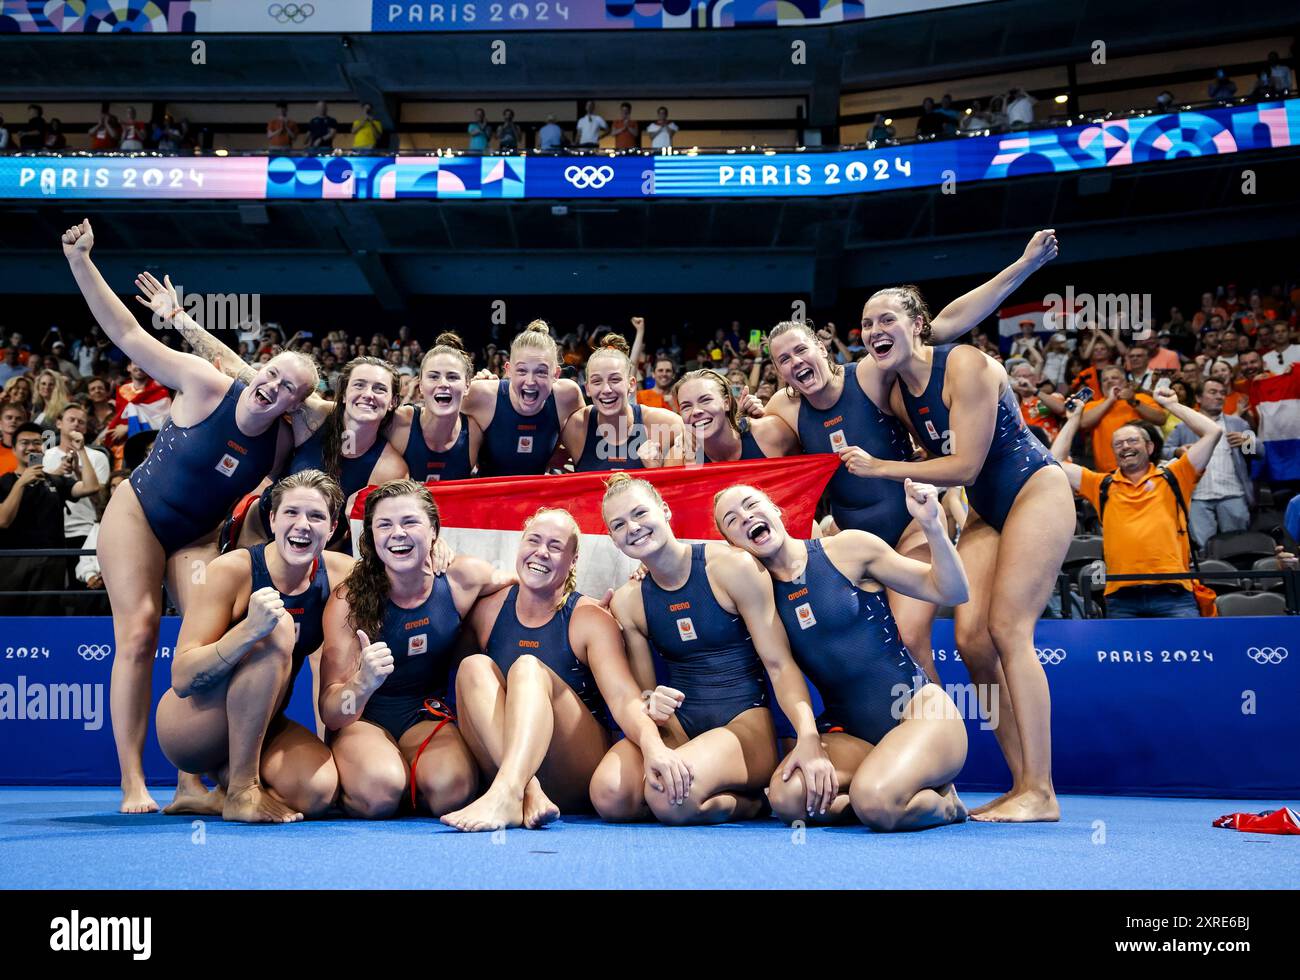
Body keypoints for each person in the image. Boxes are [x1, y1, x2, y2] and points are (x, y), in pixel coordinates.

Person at [62, 218, 318, 813]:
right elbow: (126, 331)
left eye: (288, 390)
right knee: (140, 631)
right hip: (139, 516)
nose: (273, 388)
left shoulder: (280, 444)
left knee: (207, 643)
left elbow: (323, 422)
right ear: (257, 369)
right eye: (271, 373)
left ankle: (189, 783)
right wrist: (80, 262)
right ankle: (132, 781)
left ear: (293, 407)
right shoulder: (205, 382)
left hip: (199, 536)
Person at [842, 274, 1071, 824]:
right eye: (867, 323)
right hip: (986, 510)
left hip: (1035, 487)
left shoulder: (965, 364)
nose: (875, 330)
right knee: (971, 640)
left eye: (887, 319)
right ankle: (1022, 785)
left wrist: (880, 468)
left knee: (1009, 630)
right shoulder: (899, 394)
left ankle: (1042, 789)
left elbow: (965, 464)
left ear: (919, 325)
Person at [714, 480, 969, 830]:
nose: (745, 517)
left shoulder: (848, 548)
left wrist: (932, 526)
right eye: (731, 519)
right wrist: (642, 575)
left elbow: (953, 590)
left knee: (876, 801)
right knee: (787, 798)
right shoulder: (758, 596)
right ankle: (883, 791)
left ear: (775, 509)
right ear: (733, 545)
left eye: (751, 505)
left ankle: (945, 804)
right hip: (851, 735)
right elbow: (780, 668)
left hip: (918, 712)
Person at [589, 474, 835, 825]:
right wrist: (650, 701)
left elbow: (779, 665)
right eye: (619, 524)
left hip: (744, 724)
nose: (633, 527)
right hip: (679, 726)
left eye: (640, 514)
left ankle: (750, 804)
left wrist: (807, 737)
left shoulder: (731, 567)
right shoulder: (629, 602)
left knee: (667, 798)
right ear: (613, 540)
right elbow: (645, 697)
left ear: (665, 510)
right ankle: (700, 790)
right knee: (610, 796)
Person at [156, 471, 350, 822]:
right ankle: (241, 791)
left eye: (316, 516)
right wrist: (247, 632)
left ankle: (219, 790)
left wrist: (437, 549)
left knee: (318, 792)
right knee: (276, 628)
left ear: (333, 527)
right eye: (291, 513)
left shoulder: (341, 574)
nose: (302, 525)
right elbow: (182, 677)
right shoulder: (232, 570)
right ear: (272, 518)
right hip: (192, 724)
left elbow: (399, 571)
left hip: (263, 719)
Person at [444, 508, 652, 831]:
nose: (541, 552)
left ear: (572, 561)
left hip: (573, 769)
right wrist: (438, 552)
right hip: (507, 768)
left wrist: (654, 747)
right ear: (520, 546)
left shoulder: (589, 618)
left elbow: (624, 698)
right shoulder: (487, 610)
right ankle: (523, 792)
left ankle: (508, 793)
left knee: (526, 668)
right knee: (472, 667)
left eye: (555, 546)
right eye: (533, 541)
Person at [318, 480, 512, 818]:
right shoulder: (347, 602)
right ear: (371, 536)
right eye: (385, 525)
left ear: (434, 529)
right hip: (363, 719)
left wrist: (603, 601)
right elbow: (332, 712)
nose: (398, 534)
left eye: (410, 522)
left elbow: (530, 584)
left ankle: (409, 778)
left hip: (424, 714)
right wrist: (362, 682)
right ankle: (377, 778)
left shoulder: (460, 577)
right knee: (379, 791)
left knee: (452, 790)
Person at [1053, 389, 1223, 616]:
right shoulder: (1101, 484)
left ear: (1150, 447)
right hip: (1122, 598)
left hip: (1173, 595)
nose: (1125, 446)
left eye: (1132, 440)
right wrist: (1074, 418)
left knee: (1184, 650)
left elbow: (1213, 431)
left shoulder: (1175, 476)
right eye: (1118, 444)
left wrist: (1172, 405)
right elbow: (1053, 462)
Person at [0, 422, 101, 615]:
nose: (31, 447)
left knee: (45, 616)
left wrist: (81, 451)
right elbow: (3, 520)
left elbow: (91, 487)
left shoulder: (54, 481)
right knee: (9, 618)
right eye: (24, 442)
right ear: (13, 449)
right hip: (11, 562)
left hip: (51, 562)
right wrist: (21, 483)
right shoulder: (4, 482)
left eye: (37, 443)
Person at [463, 321, 585, 477]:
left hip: (537, 497)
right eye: (521, 371)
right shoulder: (481, 394)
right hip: (488, 497)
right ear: (508, 371)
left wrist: (554, 455)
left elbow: (583, 440)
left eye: (541, 372)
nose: (530, 381)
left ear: (556, 374)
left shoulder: (568, 396)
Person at [561, 333, 680, 471]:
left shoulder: (665, 424)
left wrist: (658, 471)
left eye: (615, 379)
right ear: (587, 388)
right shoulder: (574, 427)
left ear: (632, 384)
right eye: (597, 381)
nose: (606, 389)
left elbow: (702, 462)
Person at [1163, 378, 1257, 549]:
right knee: (1204, 550)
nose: (1220, 397)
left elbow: (1258, 452)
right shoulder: (1184, 427)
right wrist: (1177, 451)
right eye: (1213, 392)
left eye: (1222, 393)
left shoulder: (1238, 423)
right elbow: (1163, 451)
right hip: (1198, 497)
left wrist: (1247, 442)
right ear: (1198, 398)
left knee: (1238, 547)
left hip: (1233, 494)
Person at [385, 333, 481, 482]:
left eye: (453, 377)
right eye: (434, 376)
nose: (443, 384)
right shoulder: (397, 422)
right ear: (421, 386)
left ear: (467, 385)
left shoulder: (476, 432)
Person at [670, 369, 797, 464]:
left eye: (705, 400)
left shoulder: (772, 433)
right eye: (686, 406)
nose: (696, 411)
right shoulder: (679, 458)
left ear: (727, 403)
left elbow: (807, 467)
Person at [1080, 365, 1167, 471]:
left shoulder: (1140, 398)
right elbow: (1083, 423)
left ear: (1125, 382)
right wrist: (1110, 400)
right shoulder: (1093, 405)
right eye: (1105, 380)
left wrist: (1134, 402)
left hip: (1142, 467)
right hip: (1107, 472)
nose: (1109, 381)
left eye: (1114, 378)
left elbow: (1161, 419)